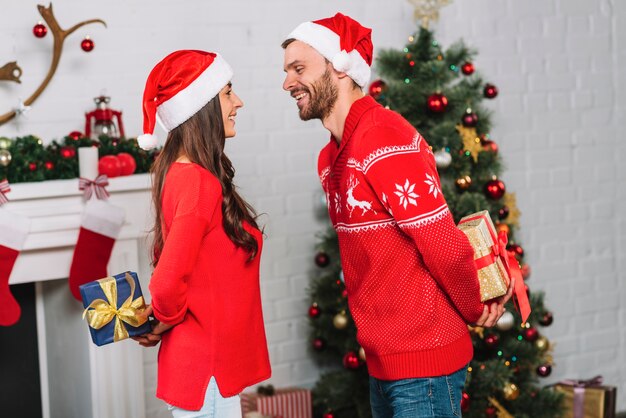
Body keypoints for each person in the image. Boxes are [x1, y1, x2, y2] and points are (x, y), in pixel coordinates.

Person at [281, 13, 513, 418]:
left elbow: (440, 242)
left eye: (299, 69)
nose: (287, 83)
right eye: (287, 72)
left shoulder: (384, 136)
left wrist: (476, 308)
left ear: (339, 66)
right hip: (385, 359)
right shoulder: (331, 157)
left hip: (425, 360)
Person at [131, 50, 271, 418]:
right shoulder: (197, 182)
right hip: (207, 368)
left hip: (206, 367)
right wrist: (163, 317)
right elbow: (167, 282)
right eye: (227, 92)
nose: (238, 101)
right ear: (202, 105)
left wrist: (162, 319)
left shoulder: (180, 173)